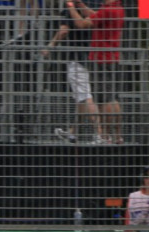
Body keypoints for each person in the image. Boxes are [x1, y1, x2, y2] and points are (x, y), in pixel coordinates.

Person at [42, 4, 103, 143]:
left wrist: (50, 46)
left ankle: (100, 134)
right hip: (92, 56)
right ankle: (73, 133)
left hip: (77, 58)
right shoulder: (92, 5)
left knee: (86, 96)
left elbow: (63, 30)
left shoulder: (70, 9)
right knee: (80, 96)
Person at [67, 0, 124, 144]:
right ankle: (117, 136)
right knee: (111, 97)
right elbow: (95, 16)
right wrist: (81, 6)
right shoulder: (116, 8)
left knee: (105, 100)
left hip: (102, 59)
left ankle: (105, 136)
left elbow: (81, 24)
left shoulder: (108, 10)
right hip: (110, 58)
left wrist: (71, 7)